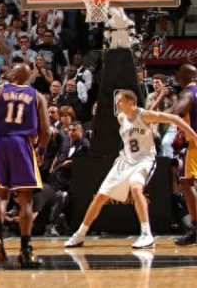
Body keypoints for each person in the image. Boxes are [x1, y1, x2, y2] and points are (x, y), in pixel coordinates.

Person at [66, 89, 197, 249]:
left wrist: (194, 136)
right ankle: (80, 235)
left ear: (131, 102)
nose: (116, 103)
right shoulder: (121, 118)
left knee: (136, 188)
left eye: (120, 101)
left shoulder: (144, 115)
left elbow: (174, 118)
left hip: (144, 160)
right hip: (125, 161)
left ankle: (146, 234)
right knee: (100, 197)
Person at [0, 63, 50, 268]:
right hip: (21, 143)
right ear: (28, 77)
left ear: (13, 75)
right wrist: (41, 152)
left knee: (2, 196)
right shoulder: (37, 96)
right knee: (25, 200)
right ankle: (26, 252)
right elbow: (46, 131)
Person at [166, 64, 197, 246]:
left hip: (195, 144)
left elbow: (175, 111)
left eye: (178, 73)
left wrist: (150, 116)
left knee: (187, 183)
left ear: (186, 75)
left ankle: (195, 228)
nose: (176, 77)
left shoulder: (188, 92)